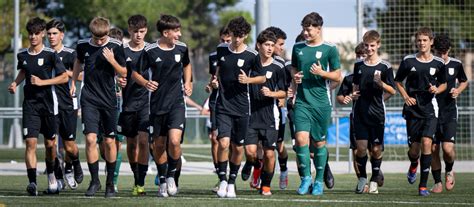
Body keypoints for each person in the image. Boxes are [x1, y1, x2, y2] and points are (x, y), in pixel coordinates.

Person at [8, 17, 69, 196]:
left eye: (36, 33)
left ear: (42, 34)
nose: (33, 37)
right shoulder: (23, 55)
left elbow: (64, 77)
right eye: (30, 34)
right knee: (30, 143)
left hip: (49, 106)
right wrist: (15, 83)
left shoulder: (51, 55)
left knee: (50, 146)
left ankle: (51, 173)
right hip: (30, 106)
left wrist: (43, 82)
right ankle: (32, 182)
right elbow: (23, 71)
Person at [70, 16, 127, 197]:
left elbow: (124, 71)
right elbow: (78, 62)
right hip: (89, 99)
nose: (100, 41)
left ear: (108, 33)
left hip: (109, 99)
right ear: (91, 33)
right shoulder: (82, 45)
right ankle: (94, 181)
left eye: (103, 38)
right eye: (97, 38)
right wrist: (73, 81)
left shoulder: (116, 46)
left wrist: (112, 60)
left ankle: (110, 183)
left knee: (110, 141)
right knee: (90, 139)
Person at [137, 14, 192, 197]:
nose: (179, 34)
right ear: (166, 32)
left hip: (177, 103)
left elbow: (187, 65)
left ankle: (170, 176)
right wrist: (145, 83)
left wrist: (188, 82)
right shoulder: (150, 50)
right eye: (176, 31)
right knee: (159, 145)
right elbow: (135, 73)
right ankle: (161, 181)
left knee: (175, 142)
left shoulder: (182, 48)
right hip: (156, 105)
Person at [211, 16, 266, 198]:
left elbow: (262, 78)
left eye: (240, 36)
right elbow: (218, 71)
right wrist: (214, 82)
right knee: (223, 142)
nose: (236, 39)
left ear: (246, 35)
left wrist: (248, 80)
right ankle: (223, 180)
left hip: (243, 107)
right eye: (234, 35)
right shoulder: (221, 50)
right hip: (223, 105)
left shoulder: (252, 55)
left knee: (238, 147)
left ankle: (232, 182)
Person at [291, 12, 341, 196]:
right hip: (302, 101)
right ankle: (306, 179)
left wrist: (322, 73)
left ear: (319, 29)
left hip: (321, 103)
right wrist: (294, 76)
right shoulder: (297, 48)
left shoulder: (330, 49)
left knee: (319, 143)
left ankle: (319, 181)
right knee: (301, 139)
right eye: (303, 29)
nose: (305, 32)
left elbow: (337, 75)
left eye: (309, 29)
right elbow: (293, 67)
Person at [394, 27, 447, 196]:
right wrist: (405, 97)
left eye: (425, 40)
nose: (421, 43)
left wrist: (437, 90)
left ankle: (423, 186)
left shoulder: (438, 63)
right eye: (419, 40)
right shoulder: (408, 61)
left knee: (427, 143)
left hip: (430, 109)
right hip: (412, 110)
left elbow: (444, 84)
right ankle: (413, 164)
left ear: (431, 42)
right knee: (414, 150)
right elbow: (398, 82)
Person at [352, 30, 396, 194]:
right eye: (366, 45)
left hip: (377, 114)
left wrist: (380, 84)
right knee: (361, 148)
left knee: (376, 149)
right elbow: (355, 87)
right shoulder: (358, 66)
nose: (369, 48)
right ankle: (363, 177)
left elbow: (392, 90)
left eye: (372, 45)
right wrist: (353, 95)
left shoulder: (385, 66)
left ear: (378, 45)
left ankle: (374, 178)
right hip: (360, 113)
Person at [245, 30, 287, 196]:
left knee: (270, 153)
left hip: (270, 116)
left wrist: (271, 94)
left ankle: (266, 185)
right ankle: (255, 166)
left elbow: (284, 92)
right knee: (250, 152)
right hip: (250, 115)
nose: (270, 48)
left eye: (272, 45)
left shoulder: (278, 66)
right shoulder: (250, 64)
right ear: (258, 46)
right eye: (267, 45)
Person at [45, 19, 83, 191]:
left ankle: (72, 166)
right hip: (48, 105)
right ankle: (57, 176)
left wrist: (63, 72)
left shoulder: (70, 54)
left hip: (68, 104)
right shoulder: (43, 53)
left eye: (54, 33)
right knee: (50, 144)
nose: (51, 37)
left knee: (69, 146)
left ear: (62, 35)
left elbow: (82, 76)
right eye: (49, 34)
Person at [115, 15, 150, 196]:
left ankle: (141, 182)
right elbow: (119, 72)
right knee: (131, 145)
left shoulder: (151, 50)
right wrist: (119, 80)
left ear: (146, 31)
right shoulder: (122, 50)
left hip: (147, 103)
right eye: (135, 31)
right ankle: (136, 176)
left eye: (142, 31)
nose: (138, 35)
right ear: (129, 30)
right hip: (128, 104)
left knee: (144, 141)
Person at [430, 34, 468, 193]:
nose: (442, 56)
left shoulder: (456, 64)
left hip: (450, 111)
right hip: (431, 111)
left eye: (445, 52)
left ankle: (450, 170)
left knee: (447, 148)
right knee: (432, 149)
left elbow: (464, 81)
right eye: (439, 52)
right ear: (434, 50)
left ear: (449, 50)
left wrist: (457, 90)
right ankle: (437, 182)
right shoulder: (429, 64)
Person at [206, 26, 232, 192]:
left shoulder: (242, 55)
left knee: (234, 143)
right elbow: (213, 78)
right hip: (217, 102)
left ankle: (232, 173)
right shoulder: (213, 56)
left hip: (235, 102)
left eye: (228, 41)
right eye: (222, 40)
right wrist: (211, 86)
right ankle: (221, 175)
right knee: (215, 139)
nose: (225, 43)